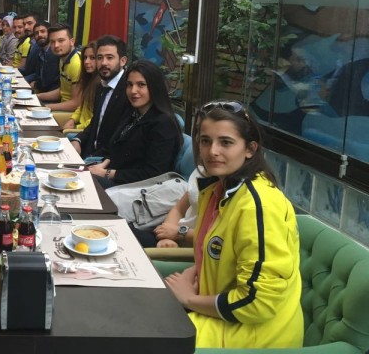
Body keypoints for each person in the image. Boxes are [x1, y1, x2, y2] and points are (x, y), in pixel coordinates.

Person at [165, 100, 303, 349]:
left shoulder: (258, 206)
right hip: (220, 314)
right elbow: (221, 255)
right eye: (205, 141)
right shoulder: (217, 190)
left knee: (143, 338)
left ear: (250, 149)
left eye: (226, 142)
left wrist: (189, 299)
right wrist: (195, 271)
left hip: (255, 335)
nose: (212, 151)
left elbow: (258, 303)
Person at [90, 60, 182, 187]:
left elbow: (154, 174)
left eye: (141, 85)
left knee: (84, 182)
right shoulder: (133, 113)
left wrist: (107, 173)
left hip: (136, 188)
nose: (133, 91)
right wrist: (104, 165)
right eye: (129, 84)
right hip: (115, 176)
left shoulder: (163, 124)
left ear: (154, 87)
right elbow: (117, 149)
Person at [70, 35, 130, 159]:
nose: (103, 63)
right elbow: (95, 124)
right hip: (89, 153)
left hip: (106, 160)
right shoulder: (103, 85)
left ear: (123, 61)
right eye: (99, 58)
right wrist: (78, 140)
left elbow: (124, 139)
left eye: (109, 58)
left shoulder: (128, 90)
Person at [36, 24, 82, 112]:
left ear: (72, 42)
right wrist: (36, 96)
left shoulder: (77, 64)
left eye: (61, 41)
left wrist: (45, 107)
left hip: (72, 113)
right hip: (63, 106)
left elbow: (76, 104)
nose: (56, 45)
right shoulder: (62, 59)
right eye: (52, 42)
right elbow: (62, 91)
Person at [64, 43, 101, 131]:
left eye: (92, 58)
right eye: (85, 58)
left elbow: (96, 119)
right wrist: (72, 119)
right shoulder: (89, 79)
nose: (86, 62)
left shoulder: (100, 84)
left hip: (85, 131)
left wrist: (76, 128)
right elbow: (82, 107)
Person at [28, 21, 60, 93]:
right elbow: (39, 75)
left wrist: (36, 86)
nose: (39, 35)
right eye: (36, 33)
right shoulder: (40, 52)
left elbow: (50, 81)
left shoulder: (54, 53)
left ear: (50, 34)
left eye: (43, 31)